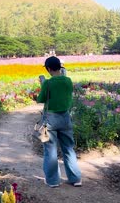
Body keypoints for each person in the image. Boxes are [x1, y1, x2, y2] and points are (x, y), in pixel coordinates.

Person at [36, 56, 82, 188]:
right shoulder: (68, 80)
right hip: (65, 118)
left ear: (48, 69)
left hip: (50, 119)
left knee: (50, 150)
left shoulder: (48, 83)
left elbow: (41, 99)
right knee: (68, 148)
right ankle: (75, 178)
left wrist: (42, 83)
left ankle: (53, 181)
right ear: (60, 68)